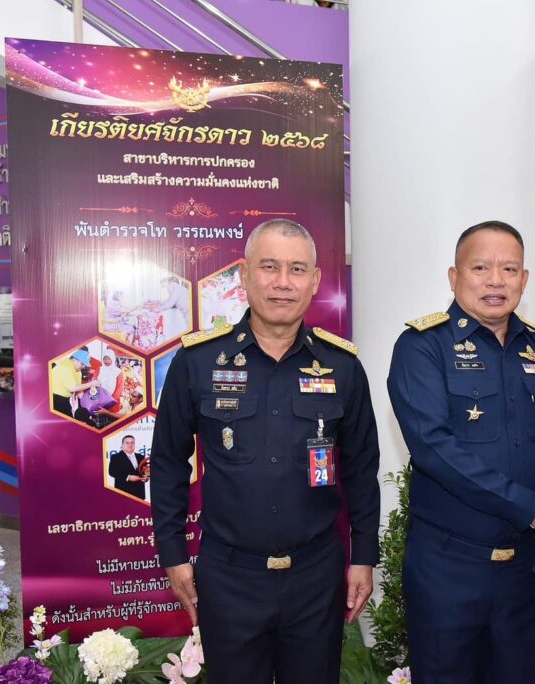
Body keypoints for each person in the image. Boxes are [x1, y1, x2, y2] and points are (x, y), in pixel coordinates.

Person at [151, 219, 380, 684]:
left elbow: (361, 469)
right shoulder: (198, 361)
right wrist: (173, 554)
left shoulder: (342, 366)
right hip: (229, 577)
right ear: (244, 275)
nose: (283, 282)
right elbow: (169, 462)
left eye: (297, 269)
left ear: (314, 280)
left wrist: (363, 556)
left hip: (316, 577)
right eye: (269, 267)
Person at [388, 220, 535, 683]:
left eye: (509, 269)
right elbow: (433, 449)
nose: (496, 281)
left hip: (521, 567)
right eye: (480, 268)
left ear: (524, 279)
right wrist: (531, 507)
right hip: (448, 567)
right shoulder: (423, 347)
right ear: (454, 276)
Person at [49, 349, 99, 418]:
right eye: (82, 364)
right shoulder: (65, 367)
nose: (83, 367)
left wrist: (88, 404)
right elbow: (72, 388)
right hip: (55, 399)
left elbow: (78, 389)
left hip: (67, 399)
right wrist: (91, 384)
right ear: (74, 360)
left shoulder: (78, 371)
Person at [108, 435, 147, 500]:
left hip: (139, 494)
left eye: (132, 442)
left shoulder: (141, 457)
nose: (130, 445)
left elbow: (145, 472)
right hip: (123, 494)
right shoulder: (116, 457)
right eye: (127, 443)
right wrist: (128, 477)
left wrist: (146, 478)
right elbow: (112, 472)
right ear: (122, 445)